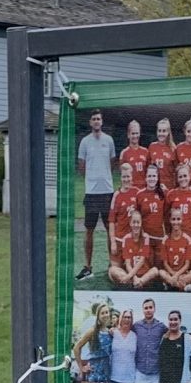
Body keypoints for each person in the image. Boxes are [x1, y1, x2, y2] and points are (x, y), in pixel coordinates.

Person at [77, 109, 116, 278]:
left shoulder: (109, 140)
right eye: (93, 119)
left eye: (99, 119)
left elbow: (112, 162)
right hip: (92, 193)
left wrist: (103, 176)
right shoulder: (85, 142)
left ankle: (112, 265)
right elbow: (81, 167)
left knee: (110, 229)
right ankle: (88, 266)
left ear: (102, 121)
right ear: (90, 122)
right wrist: (92, 180)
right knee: (89, 230)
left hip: (107, 192)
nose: (96, 121)